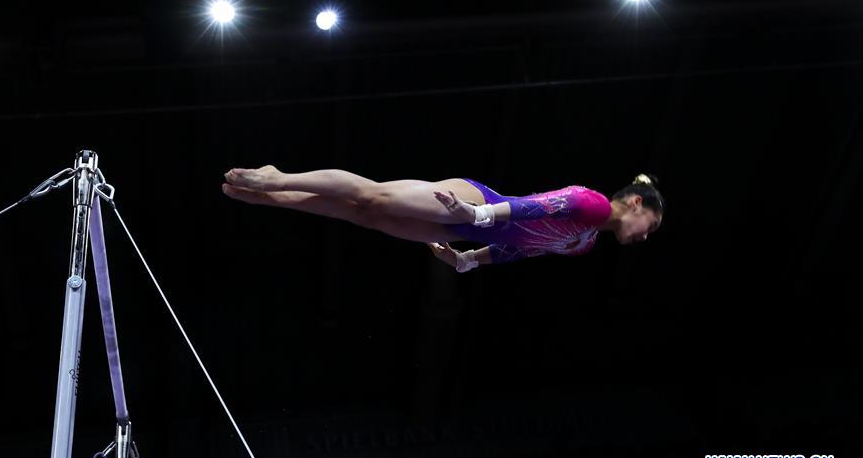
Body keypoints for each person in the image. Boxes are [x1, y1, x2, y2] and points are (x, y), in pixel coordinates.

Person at [222, 166, 664, 273]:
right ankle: (280, 178)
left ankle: (278, 201)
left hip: (466, 227)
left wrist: (468, 261)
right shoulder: (594, 205)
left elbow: (519, 247)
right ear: (638, 206)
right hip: (475, 203)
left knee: (367, 217)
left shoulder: (585, 242)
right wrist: (476, 212)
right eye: (653, 229)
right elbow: (536, 207)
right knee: (372, 195)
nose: (646, 238)